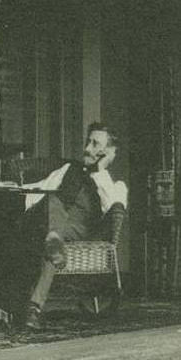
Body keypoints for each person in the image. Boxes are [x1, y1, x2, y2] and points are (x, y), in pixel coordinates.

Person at [19, 122, 128, 330]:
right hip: (48, 220)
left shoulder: (116, 186)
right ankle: (33, 309)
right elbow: (41, 188)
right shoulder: (69, 168)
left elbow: (110, 207)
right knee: (52, 200)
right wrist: (15, 192)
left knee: (53, 220)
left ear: (109, 151)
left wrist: (100, 169)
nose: (88, 148)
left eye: (96, 144)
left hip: (78, 229)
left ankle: (53, 239)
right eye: (88, 142)